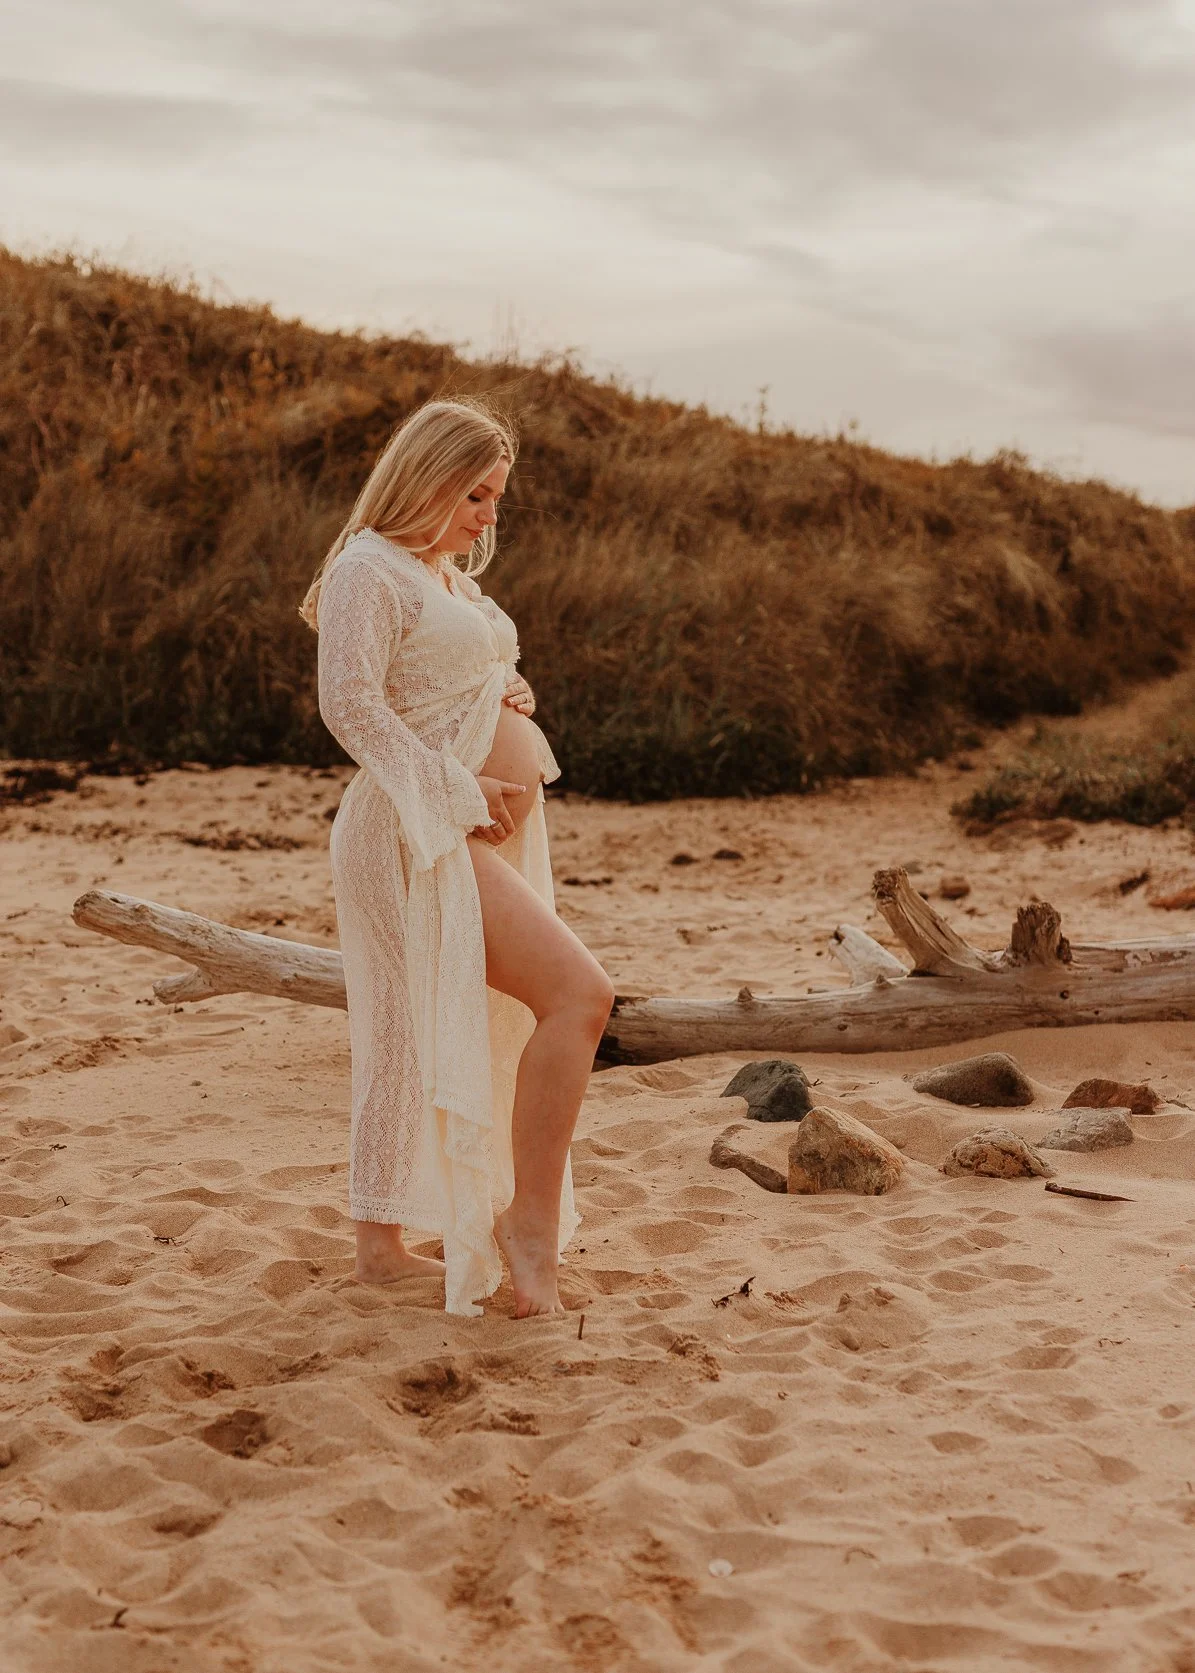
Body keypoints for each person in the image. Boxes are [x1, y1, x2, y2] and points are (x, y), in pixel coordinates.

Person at [300, 398, 614, 1318]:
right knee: (575, 995)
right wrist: (455, 788)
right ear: (426, 477)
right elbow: (349, 706)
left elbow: (446, 676)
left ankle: (378, 1248)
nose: (488, 515)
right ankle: (523, 1221)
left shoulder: (440, 574)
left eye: (495, 497)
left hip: (457, 825)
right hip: (410, 830)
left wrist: (504, 685)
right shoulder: (369, 567)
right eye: (474, 493)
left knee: (411, 1027)